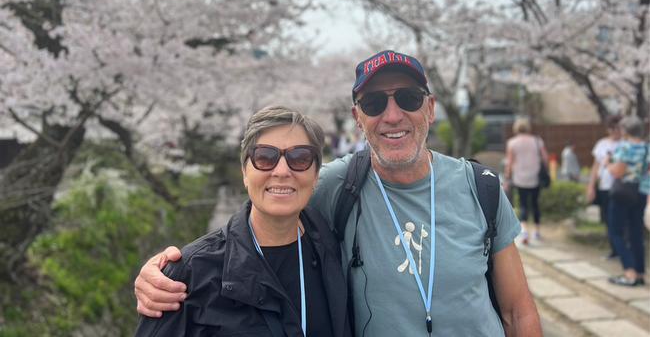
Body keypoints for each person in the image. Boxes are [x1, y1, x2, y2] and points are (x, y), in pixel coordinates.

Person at [134, 50, 542, 336]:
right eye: (375, 102)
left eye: (409, 98)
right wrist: (172, 268)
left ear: (431, 108)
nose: (393, 114)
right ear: (357, 118)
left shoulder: (480, 187)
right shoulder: (333, 185)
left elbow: (517, 309)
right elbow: (267, 205)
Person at [135, 106, 352, 336]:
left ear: (316, 174)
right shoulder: (190, 275)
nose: (281, 171)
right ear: (244, 172)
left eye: (300, 158)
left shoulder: (334, 248)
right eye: (265, 157)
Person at [606, 116, 648, 287]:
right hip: (640, 192)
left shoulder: (624, 147)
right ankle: (640, 272)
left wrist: (607, 164)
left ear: (625, 130)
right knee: (636, 233)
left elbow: (617, 172)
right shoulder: (647, 148)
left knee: (616, 232)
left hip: (623, 193)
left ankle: (629, 272)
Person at [504, 117, 548, 245]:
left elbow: (509, 163)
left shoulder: (512, 143)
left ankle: (524, 231)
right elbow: (545, 157)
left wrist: (507, 178)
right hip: (535, 177)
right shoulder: (537, 141)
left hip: (520, 177)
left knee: (523, 204)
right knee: (535, 204)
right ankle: (537, 231)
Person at [586, 115, 622, 259]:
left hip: (620, 187)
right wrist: (591, 186)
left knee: (620, 219)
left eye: (617, 128)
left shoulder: (625, 144)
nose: (614, 132)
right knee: (608, 218)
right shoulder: (602, 144)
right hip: (605, 186)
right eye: (612, 128)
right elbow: (595, 167)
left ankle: (623, 248)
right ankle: (614, 249)